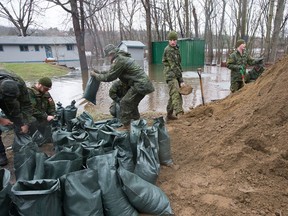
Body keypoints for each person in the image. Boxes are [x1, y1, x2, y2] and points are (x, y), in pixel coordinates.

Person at [90, 44, 155, 130]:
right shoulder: (121, 58)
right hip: (143, 84)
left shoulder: (119, 60)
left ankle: (126, 126)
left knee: (125, 102)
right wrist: (99, 72)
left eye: (108, 56)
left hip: (140, 85)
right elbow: (111, 71)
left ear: (111, 54)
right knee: (132, 104)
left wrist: (95, 75)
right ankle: (137, 123)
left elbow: (109, 77)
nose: (108, 58)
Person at [0, 69, 34, 166]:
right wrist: (1, 120)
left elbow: (27, 105)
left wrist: (26, 123)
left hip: (10, 97)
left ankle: (21, 145)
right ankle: (1, 154)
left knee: (17, 117)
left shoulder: (19, 83)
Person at [162, 30, 186, 120]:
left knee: (173, 94)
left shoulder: (176, 49)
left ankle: (169, 114)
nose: (172, 42)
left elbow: (178, 65)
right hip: (170, 75)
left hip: (176, 73)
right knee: (176, 93)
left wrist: (180, 79)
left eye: (174, 40)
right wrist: (181, 80)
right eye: (171, 40)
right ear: (168, 40)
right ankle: (179, 114)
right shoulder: (168, 50)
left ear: (177, 40)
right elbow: (173, 66)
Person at [28, 77, 56, 143]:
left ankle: (44, 136)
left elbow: (51, 106)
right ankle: (35, 138)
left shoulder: (46, 93)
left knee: (52, 120)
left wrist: (52, 114)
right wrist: (46, 117)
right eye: (45, 89)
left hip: (41, 115)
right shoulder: (30, 92)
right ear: (40, 85)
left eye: (48, 89)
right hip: (31, 116)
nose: (47, 91)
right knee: (33, 121)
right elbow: (31, 109)